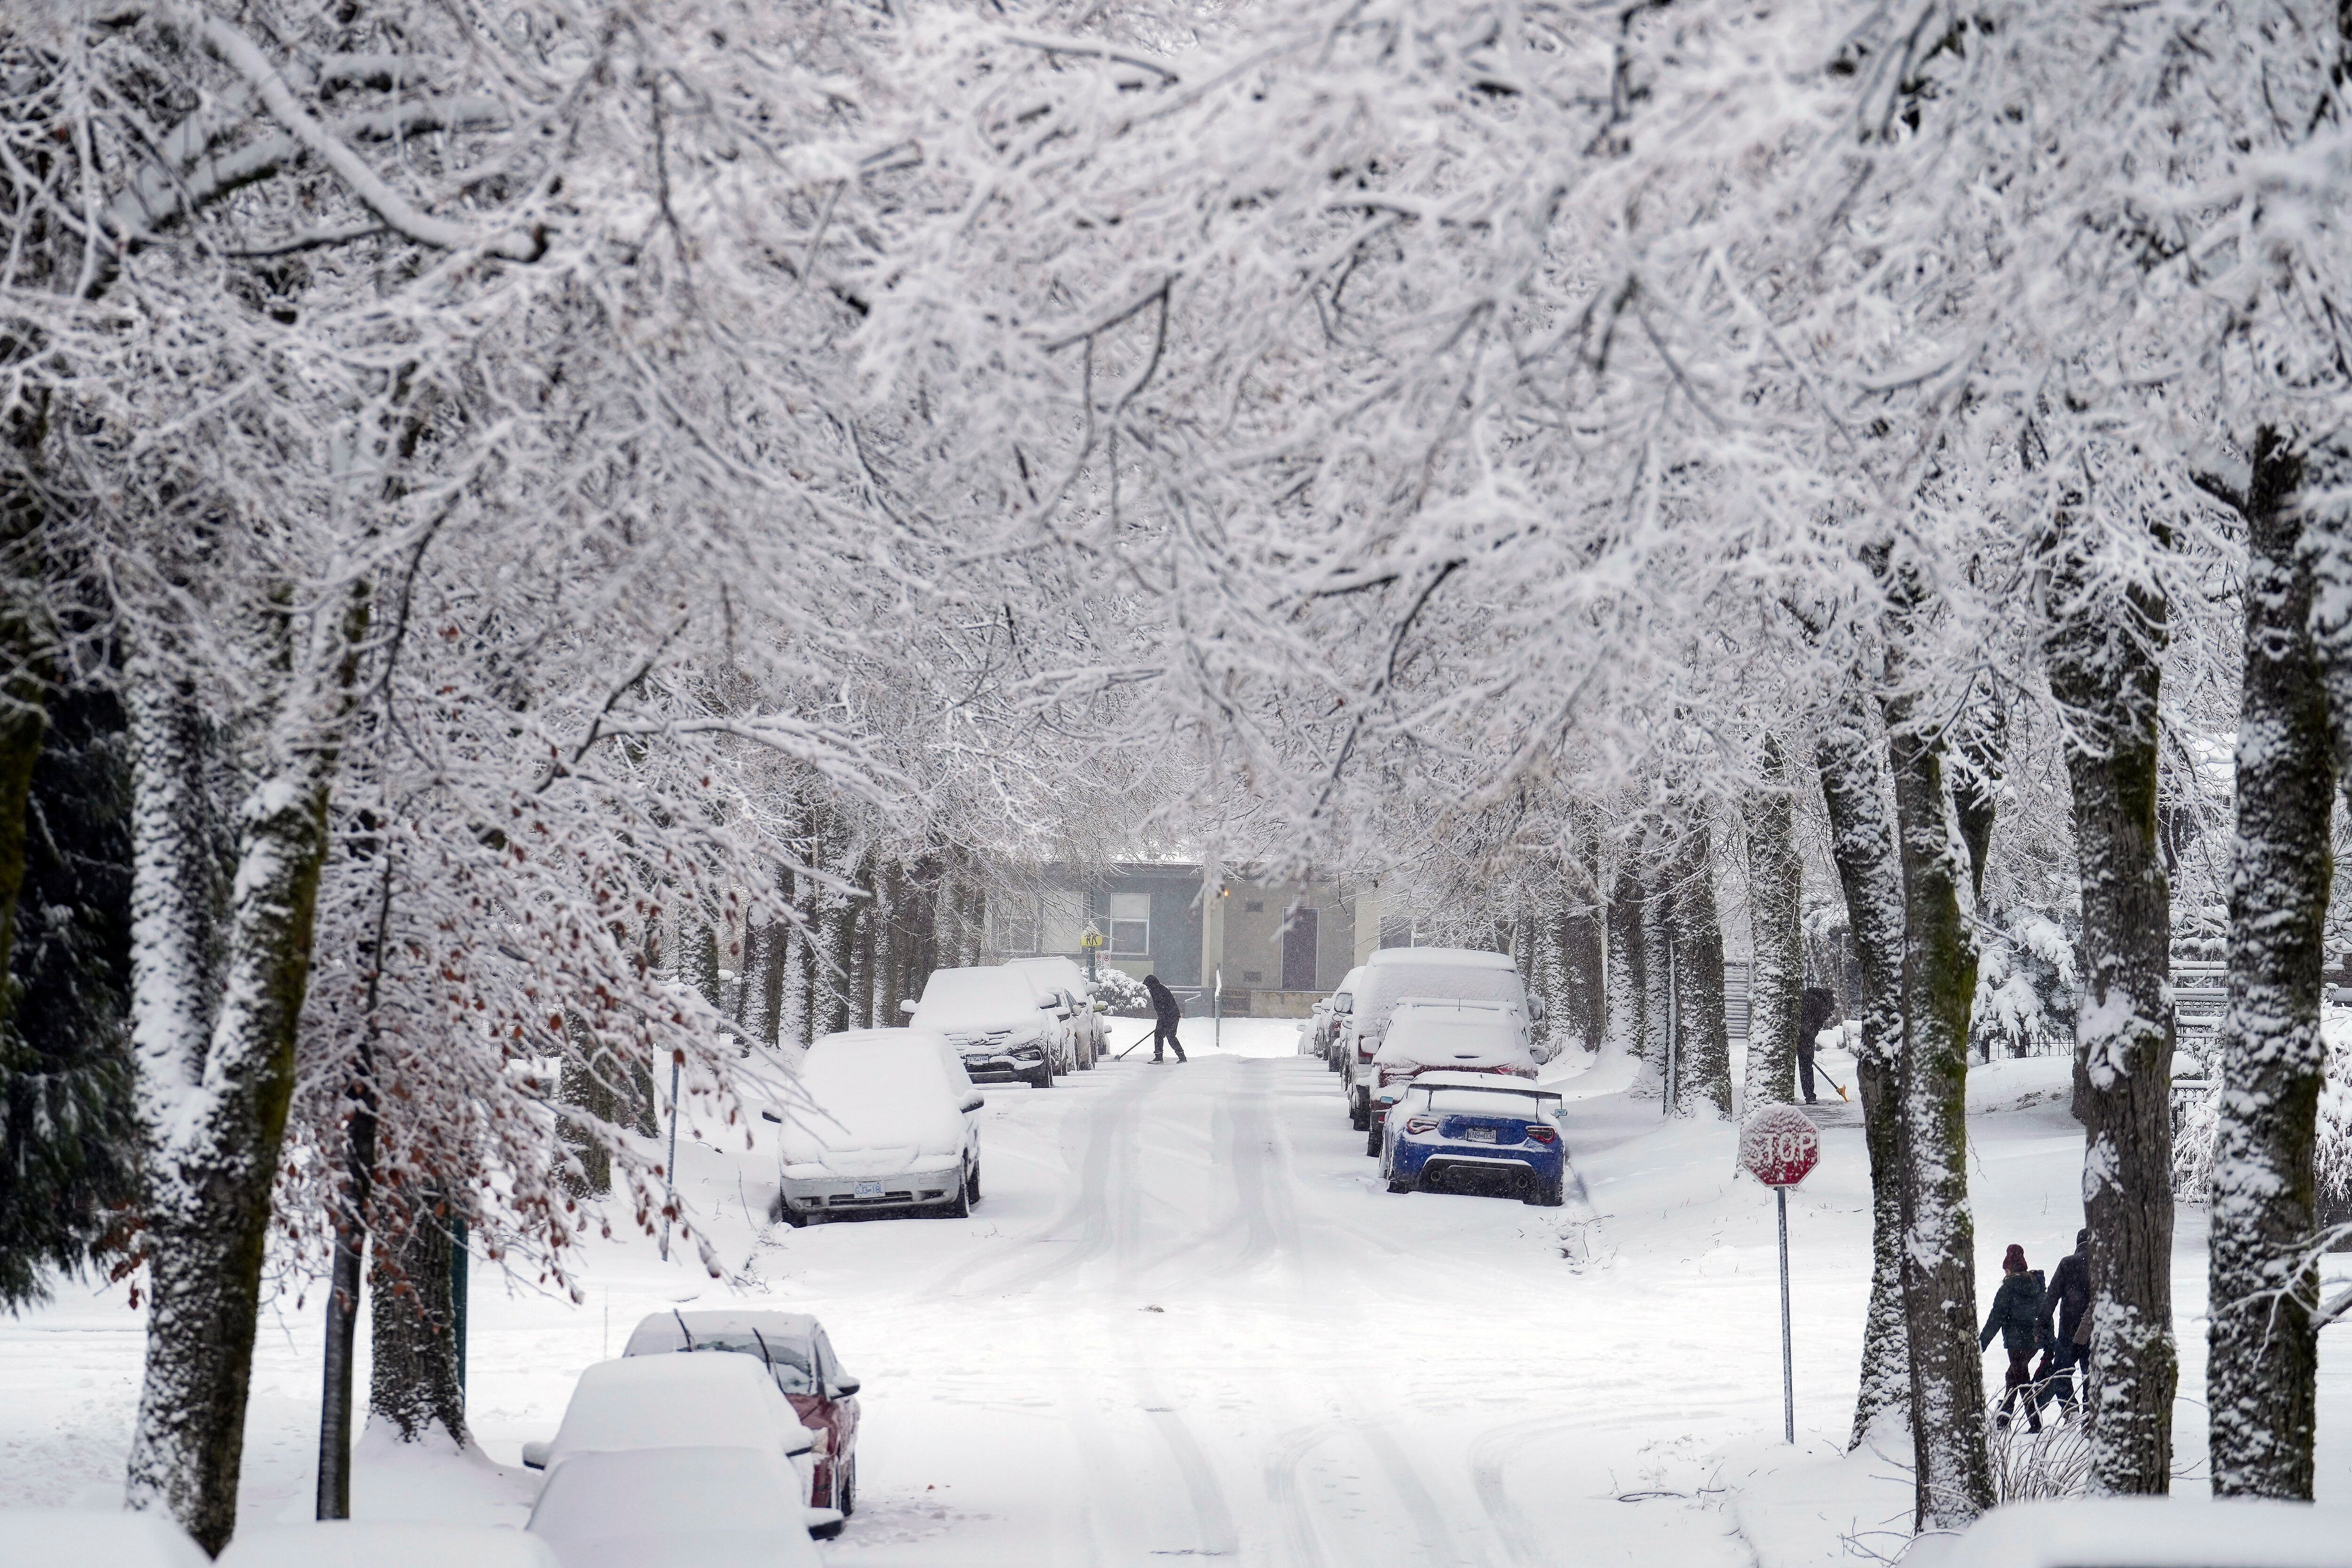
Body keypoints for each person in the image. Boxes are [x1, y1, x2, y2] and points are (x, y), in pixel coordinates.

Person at [1980, 1243, 2047, 1432]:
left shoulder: (2008, 1288)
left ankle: (2035, 1424)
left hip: (2016, 1343)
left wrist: (1981, 1344)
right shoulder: (2037, 1285)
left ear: (2008, 1268)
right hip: (2033, 1343)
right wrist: (2048, 1340)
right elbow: (2045, 1313)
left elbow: (1996, 1318)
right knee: (2012, 1376)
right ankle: (2003, 1420)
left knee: (2022, 1380)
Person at [2034, 1228, 2091, 1416]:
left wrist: (2042, 1322)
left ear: (2078, 1243)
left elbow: (2051, 1296)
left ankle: (2071, 1409)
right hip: (2094, 1330)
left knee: (2060, 1373)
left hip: (2068, 1329)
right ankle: (2089, 1416)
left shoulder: (2067, 1264)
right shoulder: (2103, 1264)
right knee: (2090, 1376)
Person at [1796, 987, 1836, 1105]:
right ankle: (1810, 1096)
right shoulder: (1820, 1007)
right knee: (1806, 1066)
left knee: (1802, 1065)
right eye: (1828, 1014)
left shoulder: (1807, 997)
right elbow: (1811, 1029)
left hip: (1794, 1033)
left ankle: (1808, 1095)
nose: (1827, 1017)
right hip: (1805, 1038)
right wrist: (1805, 1046)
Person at [1142, 973, 1187, 1064]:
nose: (1148, 988)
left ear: (1152, 984)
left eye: (1148, 986)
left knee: (1169, 1037)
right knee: (1161, 1035)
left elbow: (1164, 1006)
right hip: (1168, 1017)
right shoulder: (1158, 990)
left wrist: (1164, 1019)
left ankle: (1179, 1058)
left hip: (1170, 1017)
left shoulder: (1158, 991)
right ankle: (1164, 1057)